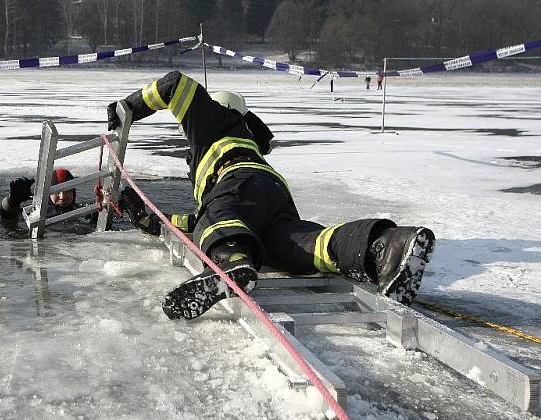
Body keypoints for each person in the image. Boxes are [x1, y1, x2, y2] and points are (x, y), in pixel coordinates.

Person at [107, 70, 435, 320]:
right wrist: (150, 219)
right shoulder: (247, 142)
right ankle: (386, 247)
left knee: (218, 221)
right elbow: (206, 221)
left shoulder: (214, 120)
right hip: (271, 198)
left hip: (237, 181)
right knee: (305, 247)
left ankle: (232, 260)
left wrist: (129, 107)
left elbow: (175, 84)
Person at [0, 168, 85, 230]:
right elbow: (4, 218)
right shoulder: (35, 211)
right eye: (57, 192)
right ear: (48, 194)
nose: (62, 197)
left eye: (68, 191)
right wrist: (12, 201)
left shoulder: (83, 210)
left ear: (74, 192)